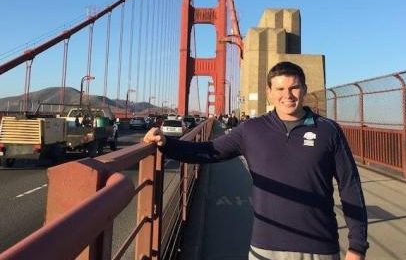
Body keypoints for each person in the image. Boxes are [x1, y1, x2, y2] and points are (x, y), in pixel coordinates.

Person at [143, 61, 368, 259]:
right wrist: (166, 143)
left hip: (320, 247)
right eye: (279, 88)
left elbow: (350, 185)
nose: (287, 95)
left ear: (305, 89)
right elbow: (209, 151)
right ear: (269, 92)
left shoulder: (329, 131)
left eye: (294, 87)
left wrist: (357, 247)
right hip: (265, 248)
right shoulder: (251, 130)